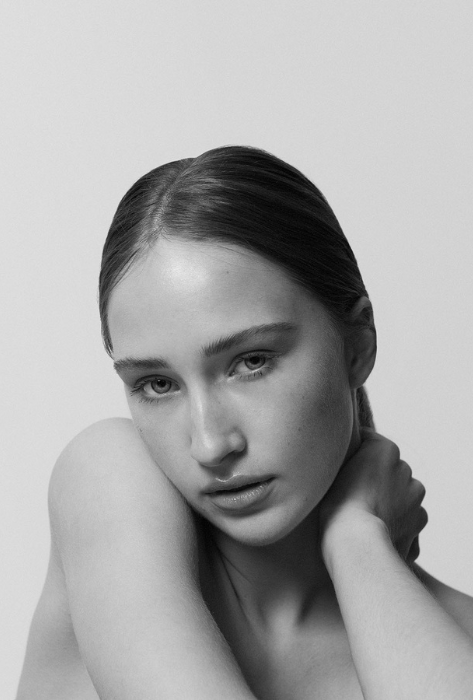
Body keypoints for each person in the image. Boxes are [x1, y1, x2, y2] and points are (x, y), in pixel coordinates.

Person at [16, 146, 473, 700]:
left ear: (356, 344)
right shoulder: (110, 482)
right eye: (157, 384)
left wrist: (357, 544)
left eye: (251, 362)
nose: (211, 445)